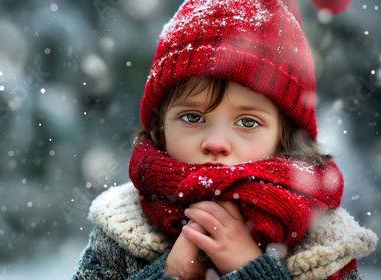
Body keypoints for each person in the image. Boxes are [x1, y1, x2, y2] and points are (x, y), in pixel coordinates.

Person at [73, 0, 378, 279]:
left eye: (247, 122)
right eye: (193, 117)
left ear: (285, 141)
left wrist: (251, 269)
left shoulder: (321, 243)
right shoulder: (122, 230)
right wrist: (172, 273)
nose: (216, 142)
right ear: (160, 127)